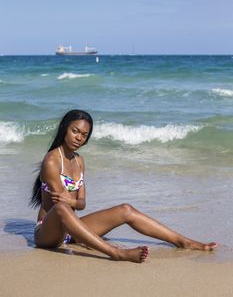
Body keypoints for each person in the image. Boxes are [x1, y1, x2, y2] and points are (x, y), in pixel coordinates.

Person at [30, 109, 218, 263]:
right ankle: (115, 253)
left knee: (125, 209)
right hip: (48, 234)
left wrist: (76, 202)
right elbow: (64, 206)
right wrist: (74, 202)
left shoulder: (79, 161)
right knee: (62, 207)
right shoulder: (52, 161)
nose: (79, 138)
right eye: (75, 131)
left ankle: (182, 241)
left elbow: (81, 203)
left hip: (72, 230)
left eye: (84, 135)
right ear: (65, 129)